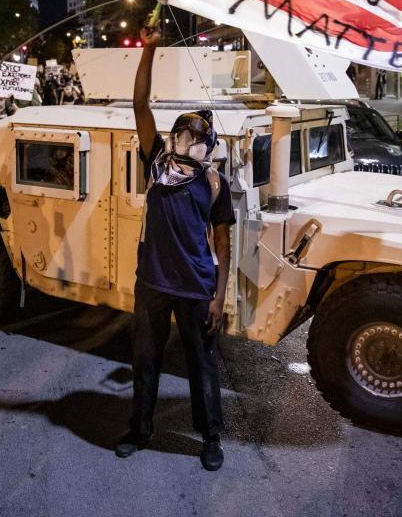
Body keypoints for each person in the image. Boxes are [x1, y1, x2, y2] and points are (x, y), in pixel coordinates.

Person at [115, 26, 235, 471]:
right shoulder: (156, 164)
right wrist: (148, 49)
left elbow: (223, 240)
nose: (183, 140)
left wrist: (219, 296)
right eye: (180, 133)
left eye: (192, 136)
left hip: (196, 288)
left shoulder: (214, 181)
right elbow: (139, 104)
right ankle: (139, 430)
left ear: (205, 145)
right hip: (152, 284)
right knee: (144, 359)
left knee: (201, 366)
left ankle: (210, 438)